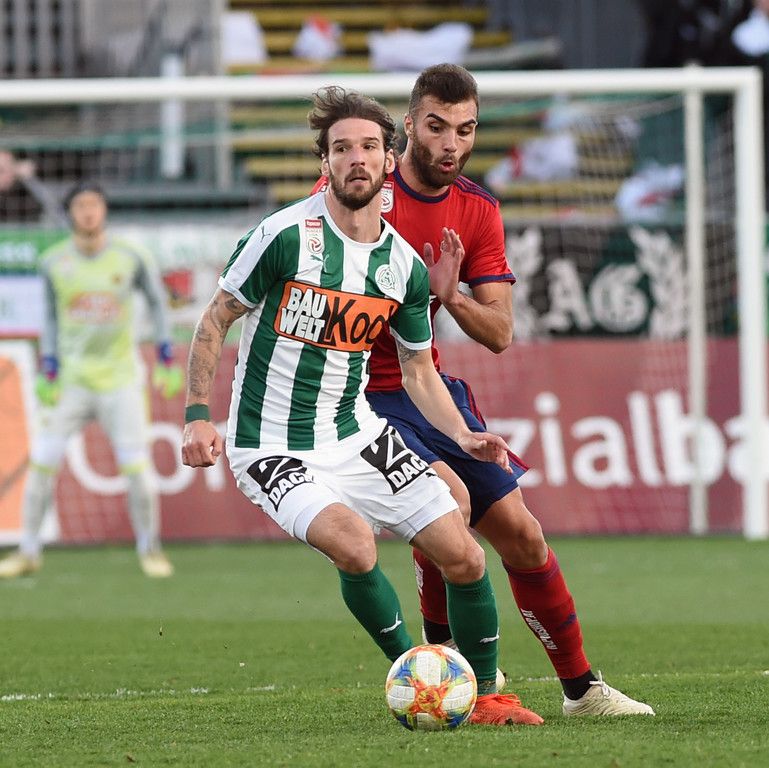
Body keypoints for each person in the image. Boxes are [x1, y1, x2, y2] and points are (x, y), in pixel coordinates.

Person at [181, 86, 530, 726]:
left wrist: (463, 435)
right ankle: (420, 679)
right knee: (355, 544)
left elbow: (419, 370)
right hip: (271, 443)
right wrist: (197, 415)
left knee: (466, 555)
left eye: (369, 146)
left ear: (389, 157)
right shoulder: (283, 236)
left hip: (355, 433)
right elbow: (215, 319)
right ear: (326, 162)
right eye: (342, 148)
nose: (357, 159)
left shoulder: (402, 266)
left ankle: (485, 696)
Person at [315, 64, 654, 720]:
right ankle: (459, 671)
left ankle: (582, 691)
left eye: (465, 130)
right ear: (408, 126)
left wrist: (450, 296)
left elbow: (499, 332)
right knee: (447, 505)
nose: (451, 144)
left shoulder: (476, 209)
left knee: (523, 536)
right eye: (437, 127)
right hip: (353, 394)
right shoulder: (357, 190)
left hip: (426, 389)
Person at [0, 182, 182, 579]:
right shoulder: (53, 262)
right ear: (70, 213)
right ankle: (28, 551)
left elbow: (158, 303)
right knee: (41, 463)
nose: (88, 212)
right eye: (81, 205)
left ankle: (150, 548)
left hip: (121, 380)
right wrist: (49, 366)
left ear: (104, 211)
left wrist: (166, 356)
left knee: (137, 469)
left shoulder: (130, 256)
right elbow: (50, 317)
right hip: (72, 382)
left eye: (94, 205)